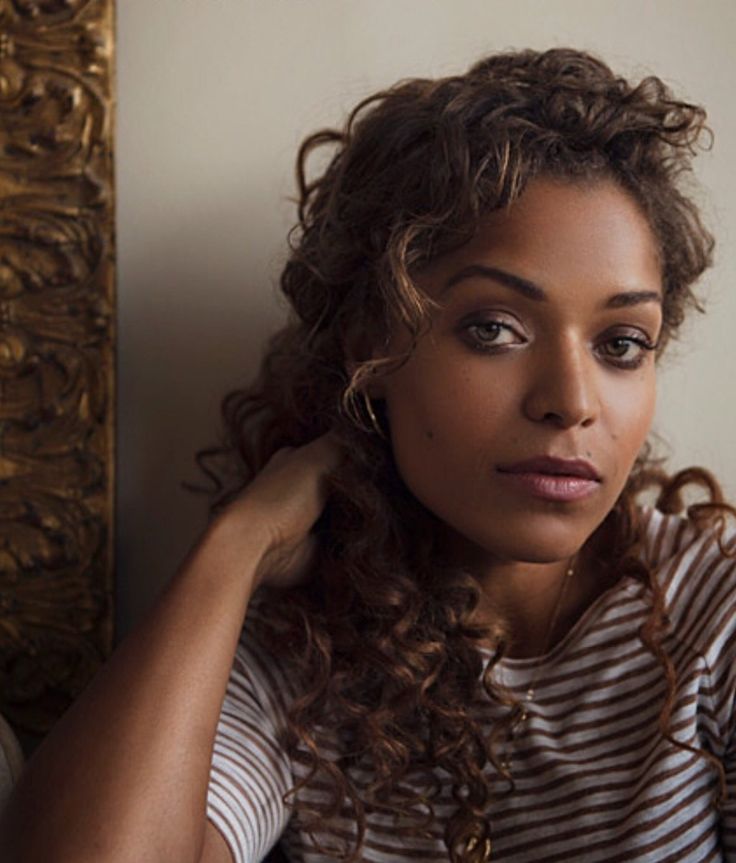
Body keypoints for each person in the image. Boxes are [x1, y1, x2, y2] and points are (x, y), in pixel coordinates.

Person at [2, 46, 735, 863]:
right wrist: (235, 547)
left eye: (623, 342)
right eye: (494, 328)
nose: (572, 398)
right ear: (373, 344)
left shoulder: (714, 615)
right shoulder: (297, 662)